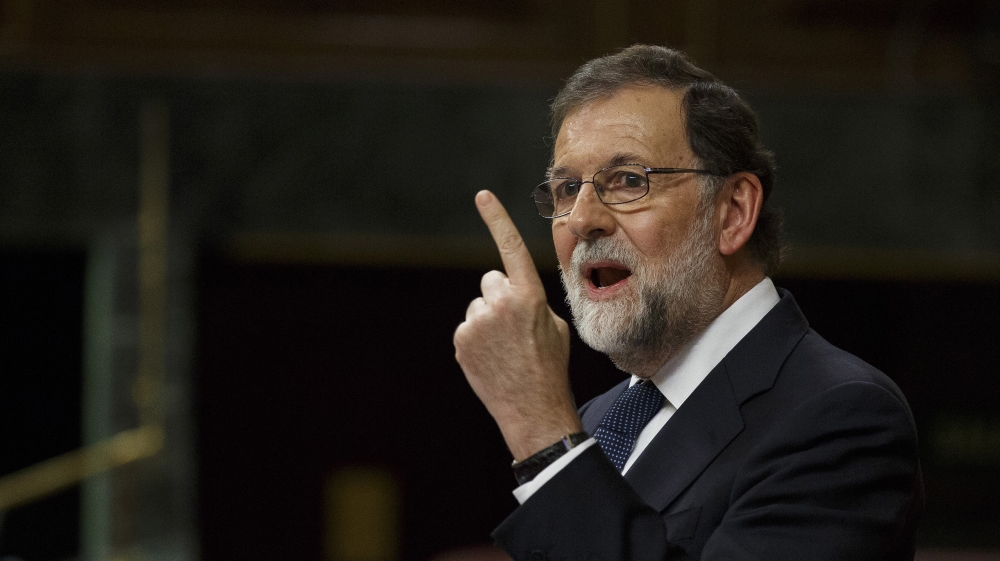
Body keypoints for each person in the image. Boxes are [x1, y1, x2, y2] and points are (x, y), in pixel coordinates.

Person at [453, 45, 922, 560]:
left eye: (629, 180)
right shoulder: (597, 419)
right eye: (567, 188)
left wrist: (543, 435)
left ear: (732, 212)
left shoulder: (841, 417)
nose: (582, 220)